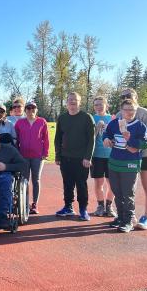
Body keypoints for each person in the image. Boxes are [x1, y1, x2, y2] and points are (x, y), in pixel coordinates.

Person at [103, 99, 147, 233]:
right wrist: (106, 139)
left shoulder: (140, 126)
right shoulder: (114, 123)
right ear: (121, 111)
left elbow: (146, 144)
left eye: (132, 110)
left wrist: (131, 140)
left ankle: (128, 220)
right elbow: (107, 134)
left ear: (136, 110)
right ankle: (121, 217)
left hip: (130, 164)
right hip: (114, 163)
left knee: (128, 193)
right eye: (126, 109)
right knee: (117, 192)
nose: (129, 112)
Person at [117, 88, 147, 230]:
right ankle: (129, 216)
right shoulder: (118, 114)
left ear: (136, 97)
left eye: (129, 95)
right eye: (123, 96)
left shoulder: (145, 114)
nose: (126, 97)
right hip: (127, 156)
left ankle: (146, 217)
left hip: (146, 155)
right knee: (127, 188)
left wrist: (135, 146)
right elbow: (115, 132)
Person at [54, 92, 95, 221]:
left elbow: (91, 140)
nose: (72, 102)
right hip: (65, 158)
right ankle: (68, 207)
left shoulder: (87, 117)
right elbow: (58, 138)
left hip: (81, 159)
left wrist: (88, 157)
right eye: (70, 100)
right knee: (67, 184)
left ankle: (83, 209)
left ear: (79, 102)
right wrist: (58, 155)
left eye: (75, 100)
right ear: (66, 102)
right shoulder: (62, 118)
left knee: (81, 185)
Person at [14, 100, 49, 214]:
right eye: (28, 108)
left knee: (36, 179)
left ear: (36, 109)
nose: (31, 110)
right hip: (23, 156)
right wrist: (17, 153)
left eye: (33, 108)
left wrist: (45, 153)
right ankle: (24, 202)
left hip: (37, 156)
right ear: (25, 110)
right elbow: (16, 139)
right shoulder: (20, 123)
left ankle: (35, 204)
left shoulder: (42, 122)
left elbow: (46, 139)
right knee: (24, 180)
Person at [90, 96, 116, 217]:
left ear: (106, 105)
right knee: (98, 183)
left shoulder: (113, 118)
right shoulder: (91, 118)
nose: (99, 107)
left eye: (101, 104)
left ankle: (109, 206)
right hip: (96, 155)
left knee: (113, 183)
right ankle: (100, 206)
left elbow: (119, 136)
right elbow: (89, 139)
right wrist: (96, 129)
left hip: (112, 156)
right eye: (96, 105)